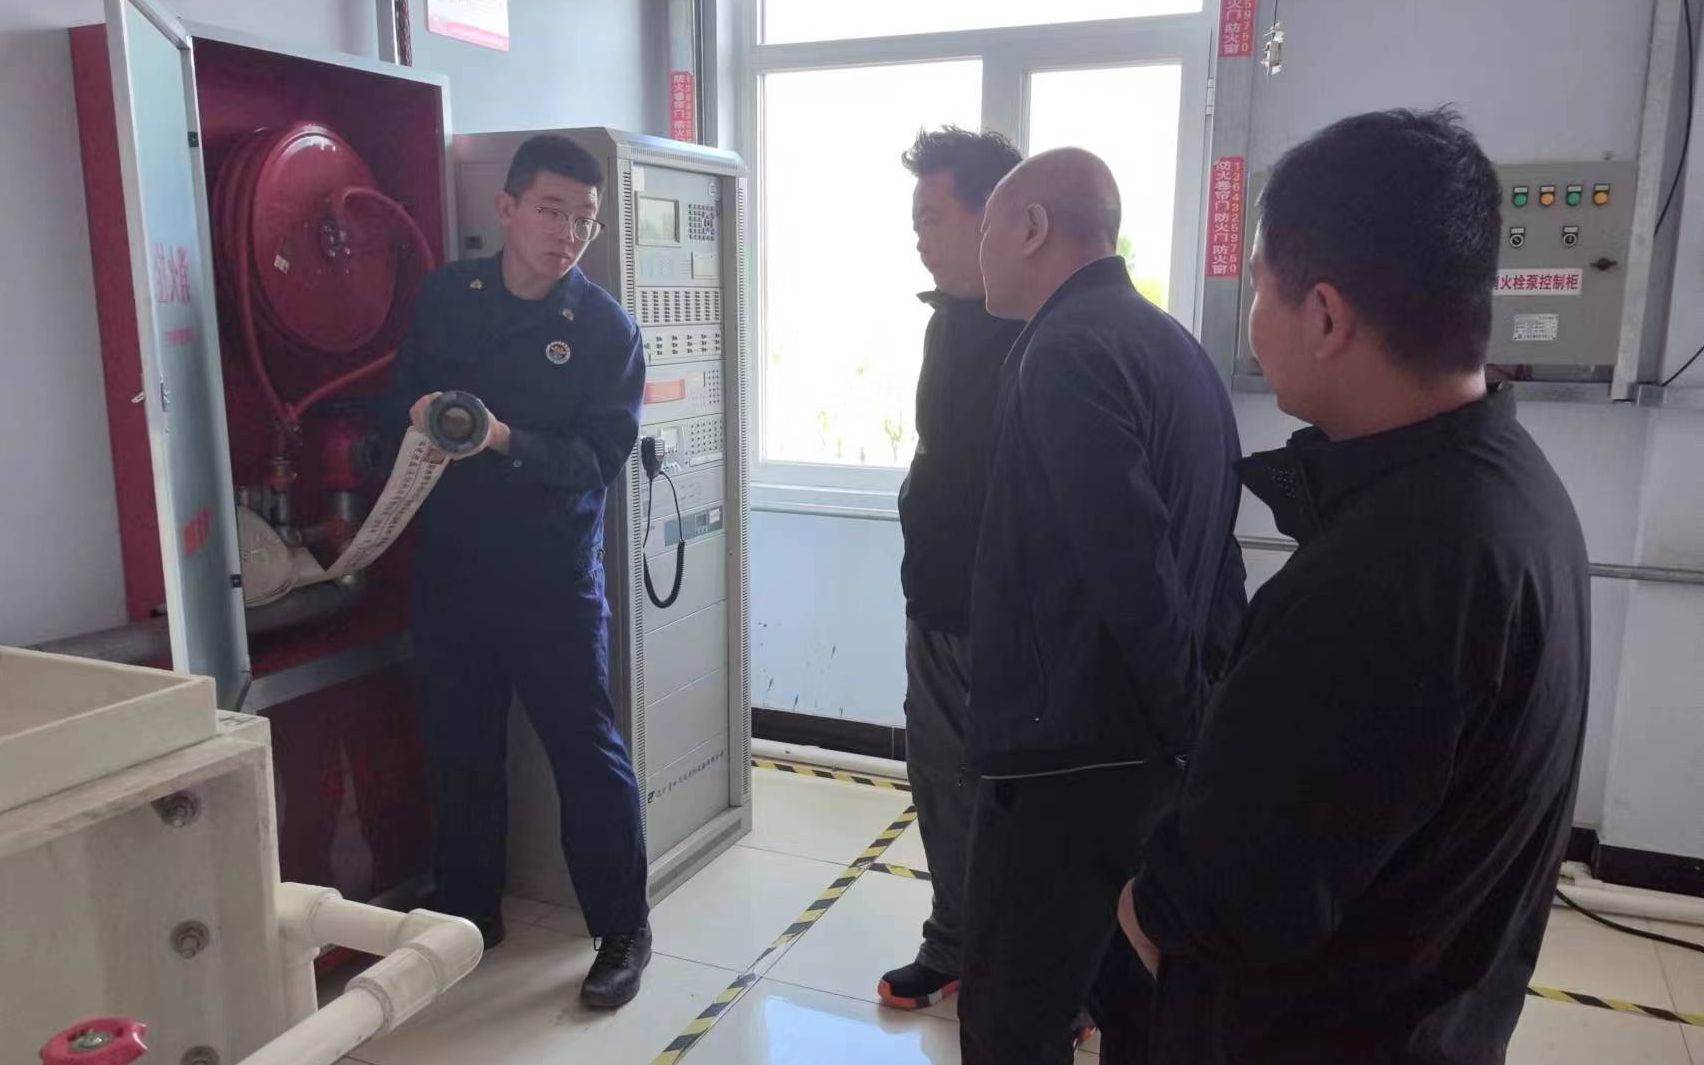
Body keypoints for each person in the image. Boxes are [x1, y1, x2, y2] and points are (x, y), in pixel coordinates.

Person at [1121, 108, 1591, 1065]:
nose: (1253, 321)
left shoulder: (1384, 576)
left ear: (1326, 316)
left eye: (1261, 287)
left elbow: (1221, 902)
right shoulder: (1511, 487)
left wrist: (1134, 902)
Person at [959, 147, 1246, 1065]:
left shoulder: (1065, 352)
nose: (978, 249)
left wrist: (1185, 723)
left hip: (1067, 766)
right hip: (1149, 759)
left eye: (988, 226)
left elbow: (1134, 565)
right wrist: (1198, 730)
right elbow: (1219, 556)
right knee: (1138, 995)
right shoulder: (1175, 347)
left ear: (1033, 227)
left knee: (1012, 1016)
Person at [380, 134, 653, 1009]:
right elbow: (397, 395)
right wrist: (417, 413)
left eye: (584, 219)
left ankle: (622, 928)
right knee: (460, 746)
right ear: (506, 208)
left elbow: (596, 461)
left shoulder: (606, 331)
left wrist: (502, 438)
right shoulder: (447, 298)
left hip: (551, 581)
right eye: (550, 210)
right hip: (453, 567)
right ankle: (470, 911)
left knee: (585, 753)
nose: (567, 233)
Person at [878, 126, 1025, 1014]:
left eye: (931, 218)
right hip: (934, 600)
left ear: (993, 218)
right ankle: (955, 941)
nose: (919, 237)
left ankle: (1045, 971)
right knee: (940, 779)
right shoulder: (947, 324)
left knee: (1022, 801)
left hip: (1015, 620)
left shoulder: (1045, 334)